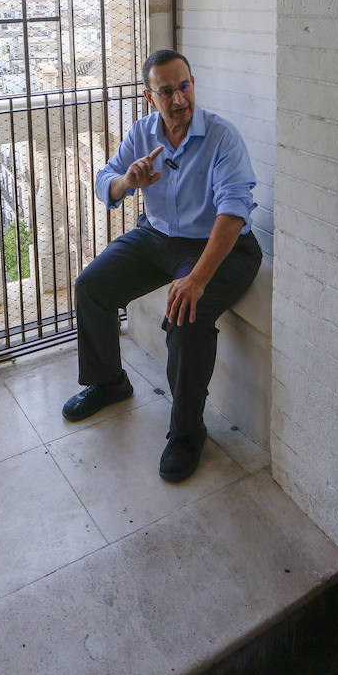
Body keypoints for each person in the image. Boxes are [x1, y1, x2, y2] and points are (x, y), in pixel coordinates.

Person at [61, 49, 262, 482]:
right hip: (157, 237)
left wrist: (196, 279)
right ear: (150, 97)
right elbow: (105, 179)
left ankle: (187, 434)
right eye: (167, 91)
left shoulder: (222, 137)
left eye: (184, 86)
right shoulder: (142, 132)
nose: (179, 99)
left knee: (187, 315)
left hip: (219, 244)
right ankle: (109, 382)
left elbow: (232, 213)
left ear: (193, 83)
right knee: (91, 285)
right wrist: (127, 181)